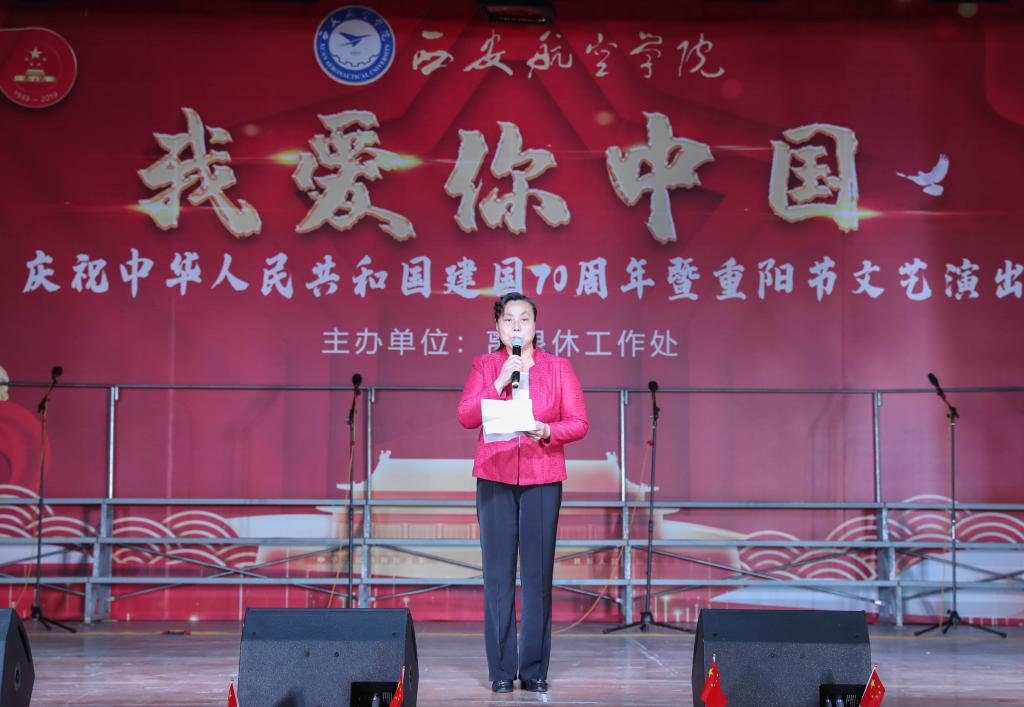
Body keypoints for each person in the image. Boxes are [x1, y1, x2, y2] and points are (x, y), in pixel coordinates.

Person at [456, 292, 589, 694]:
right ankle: (500, 669)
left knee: (537, 576)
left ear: (535, 325)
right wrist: (498, 382)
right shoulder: (485, 365)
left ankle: (533, 669)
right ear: (497, 327)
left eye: (524, 319)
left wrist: (547, 430)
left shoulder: (558, 367)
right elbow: (465, 416)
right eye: (508, 320)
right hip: (494, 476)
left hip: (542, 478)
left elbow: (578, 422)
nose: (516, 326)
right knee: (497, 577)